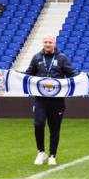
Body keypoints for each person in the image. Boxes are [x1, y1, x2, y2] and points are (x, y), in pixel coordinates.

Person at [25, 35, 77, 166]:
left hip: (57, 101)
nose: (48, 44)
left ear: (54, 43)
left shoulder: (62, 58)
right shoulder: (37, 58)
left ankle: (53, 155)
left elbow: (72, 75)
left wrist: (83, 80)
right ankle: (41, 152)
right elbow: (28, 74)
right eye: (45, 42)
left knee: (54, 128)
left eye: (50, 42)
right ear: (43, 43)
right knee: (38, 124)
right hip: (40, 100)